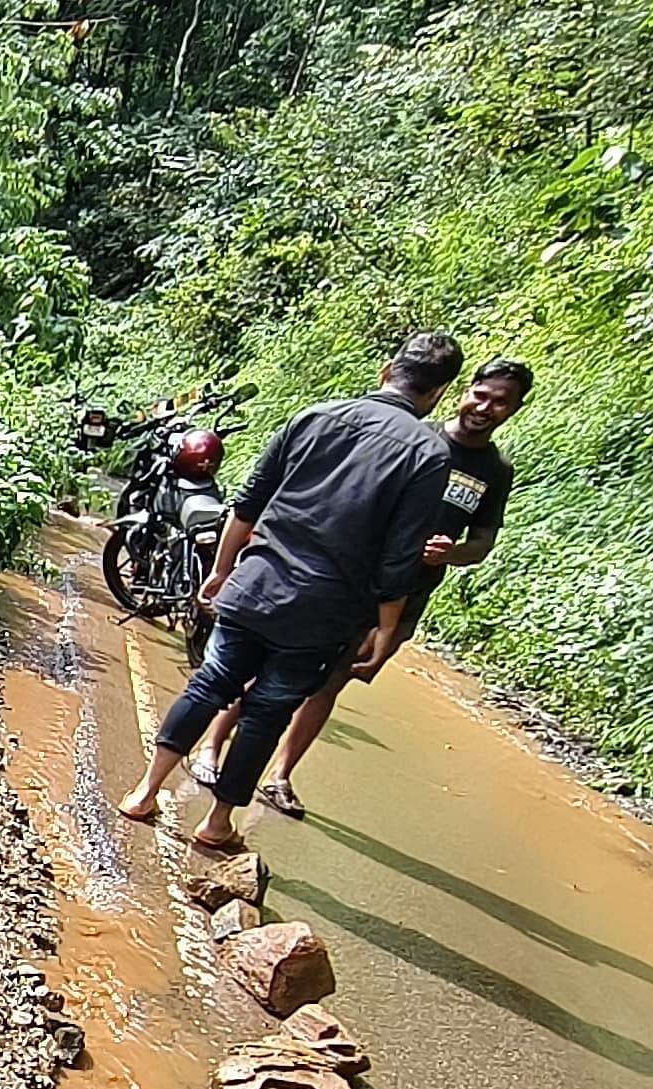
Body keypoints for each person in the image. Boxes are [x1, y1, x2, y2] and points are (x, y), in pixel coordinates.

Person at [114, 331, 464, 853]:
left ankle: (145, 791)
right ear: (438, 394)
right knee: (268, 710)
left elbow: (249, 503)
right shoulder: (430, 454)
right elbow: (399, 552)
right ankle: (216, 823)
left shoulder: (314, 416)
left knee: (209, 682)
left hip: (257, 581)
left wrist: (221, 569)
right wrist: (386, 626)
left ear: (387, 371)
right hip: (325, 609)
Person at [193, 357, 533, 817]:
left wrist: (449, 553)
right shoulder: (416, 436)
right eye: (482, 394)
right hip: (346, 583)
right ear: (462, 390)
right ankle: (213, 747)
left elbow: (482, 543)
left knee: (331, 683)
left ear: (515, 409)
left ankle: (280, 776)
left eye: (501, 403)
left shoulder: (496, 470)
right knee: (269, 666)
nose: (486, 407)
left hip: (406, 594)